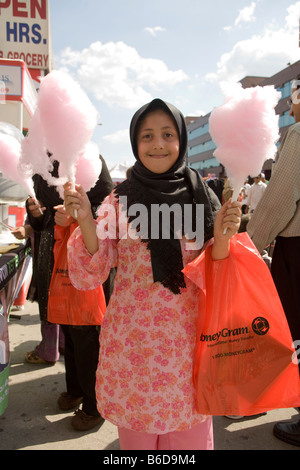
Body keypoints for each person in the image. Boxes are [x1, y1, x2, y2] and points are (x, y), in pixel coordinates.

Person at [64, 98, 241, 450]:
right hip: (134, 349)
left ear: (182, 140)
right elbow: (91, 274)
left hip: (188, 345)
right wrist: (85, 219)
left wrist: (221, 238)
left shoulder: (202, 196)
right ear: (134, 142)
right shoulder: (119, 200)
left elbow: (218, 273)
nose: (158, 144)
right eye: (147, 136)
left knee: (190, 442)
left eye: (167, 134)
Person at [26, 155, 114, 431]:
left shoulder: (88, 155)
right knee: (70, 334)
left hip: (87, 257)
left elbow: (107, 207)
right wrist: (38, 215)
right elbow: (44, 221)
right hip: (57, 257)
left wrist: (78, 214)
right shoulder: (44, 160)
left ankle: (94, 404)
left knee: (88, 336)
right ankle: (75, 388)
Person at [247, 75, 300, 447]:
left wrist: (251, 243)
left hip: (297, 248)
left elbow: (282, 197)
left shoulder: (298, 135)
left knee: (295, 329)